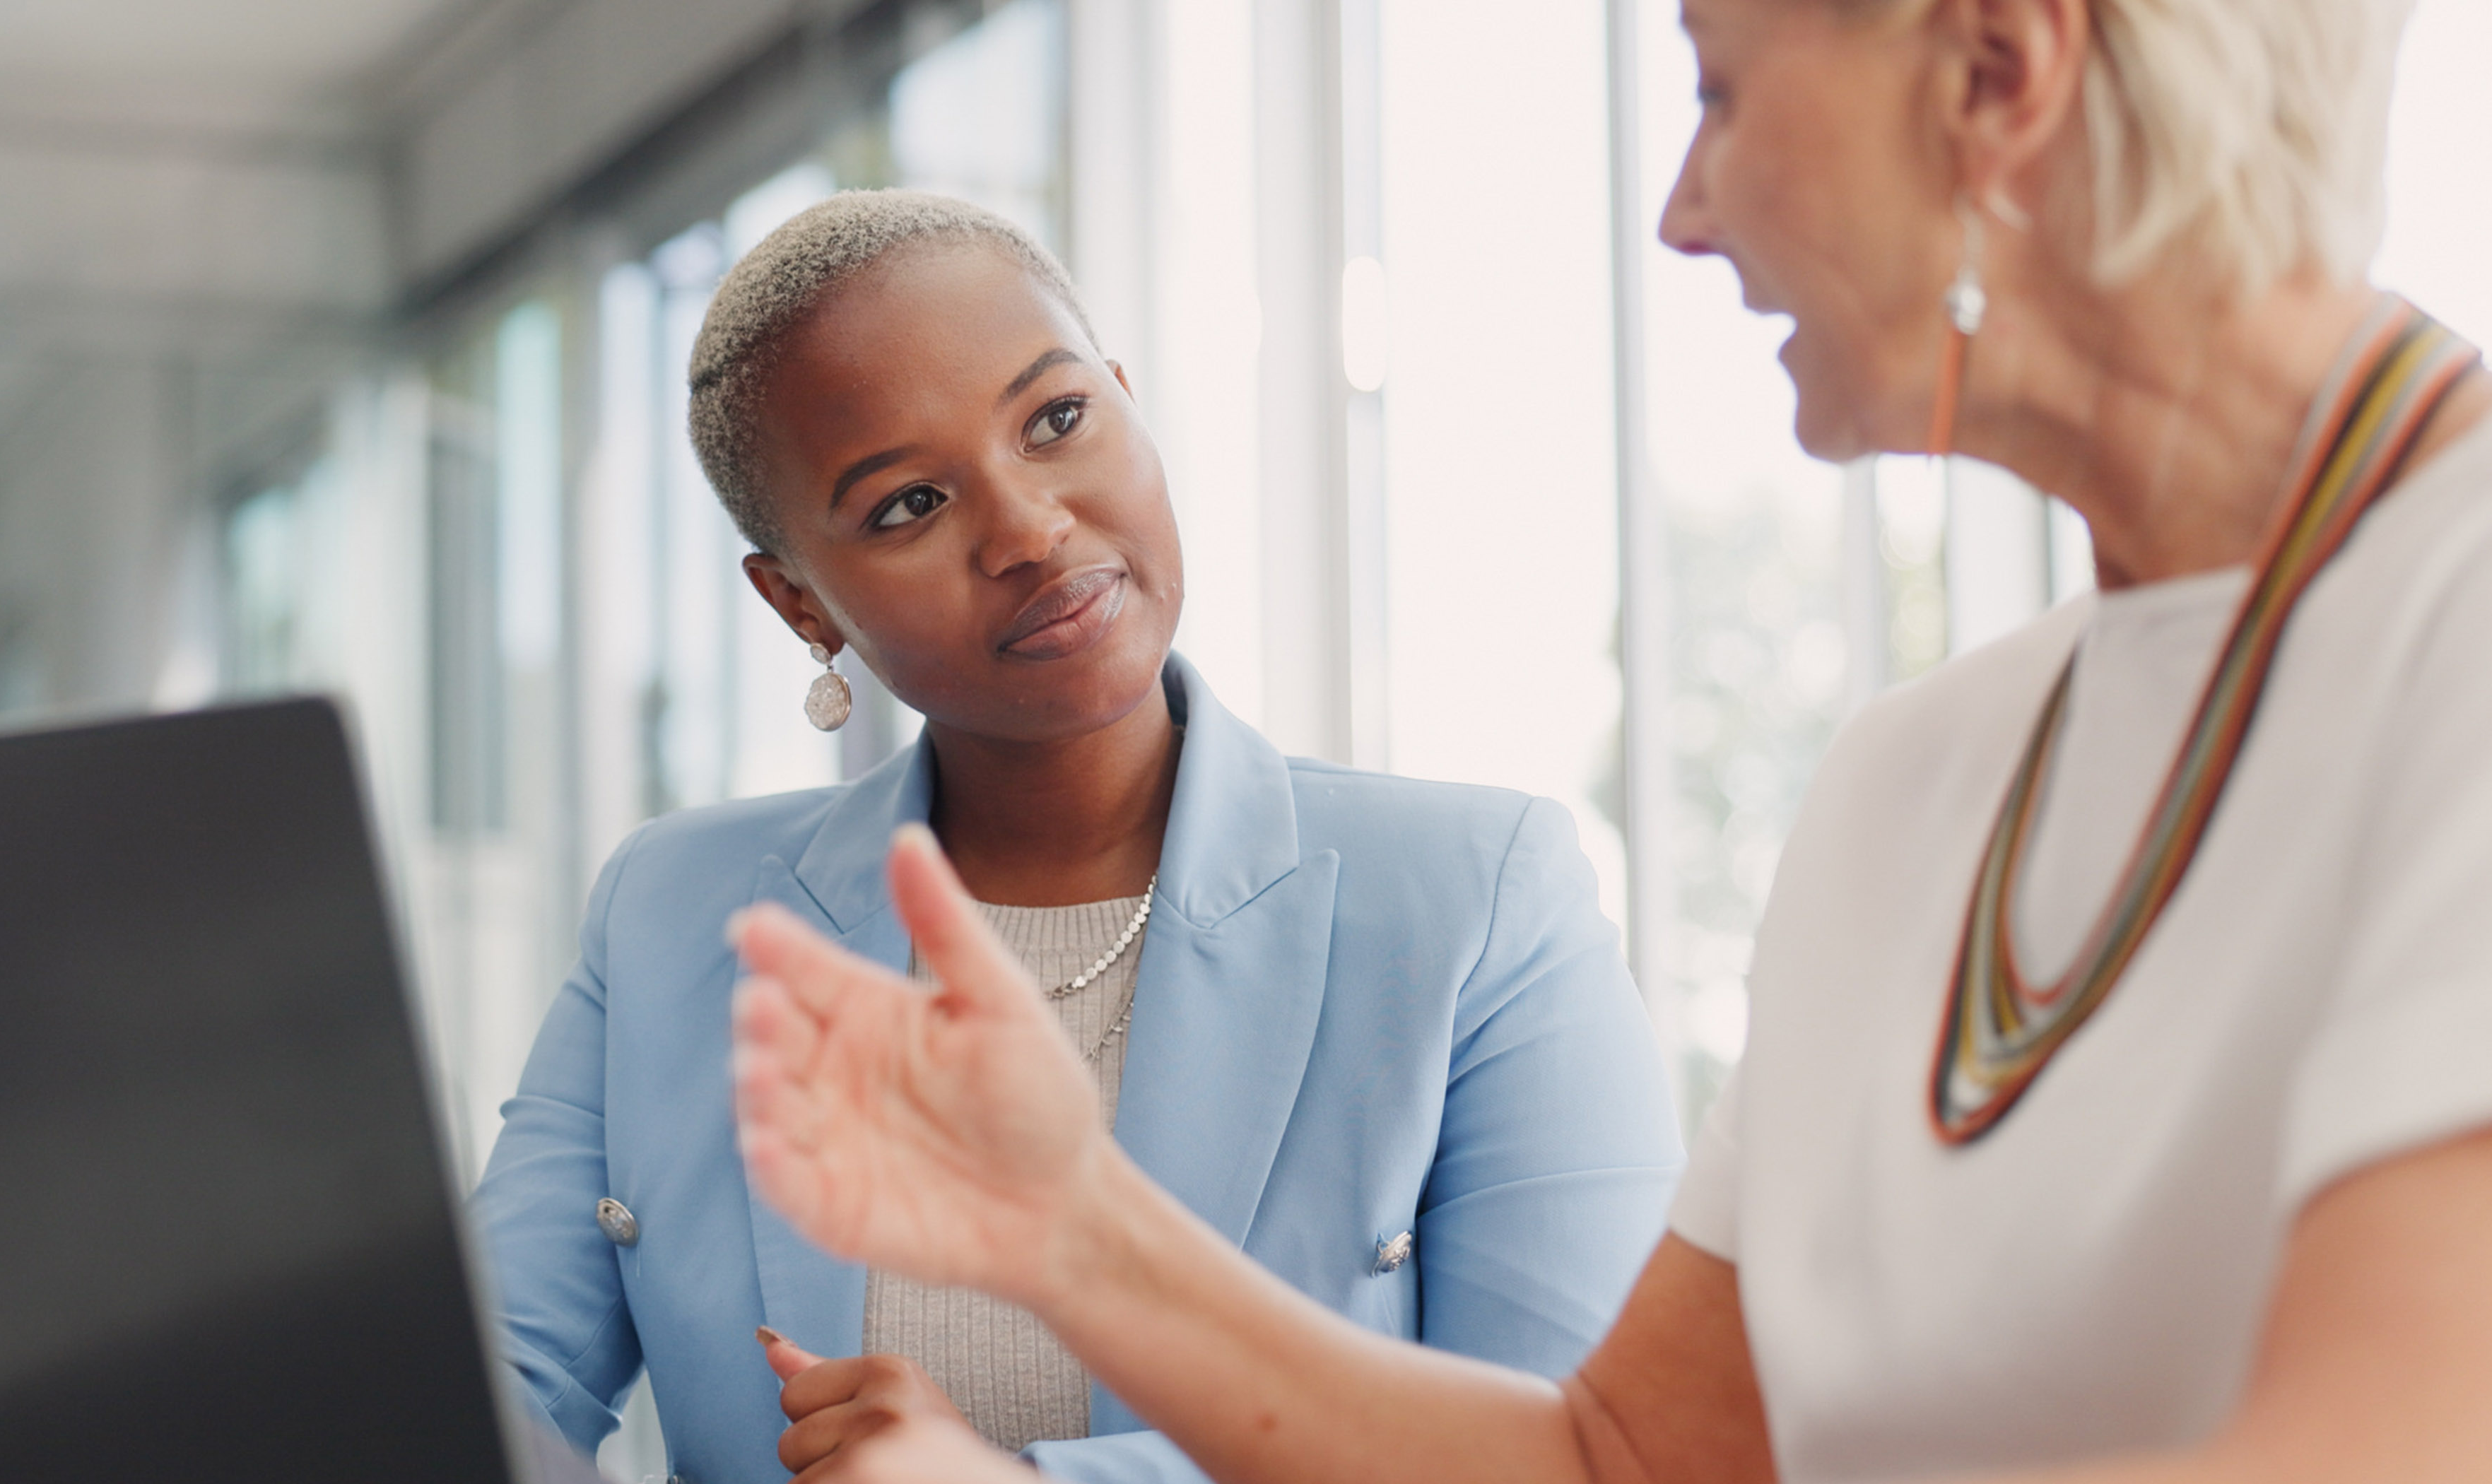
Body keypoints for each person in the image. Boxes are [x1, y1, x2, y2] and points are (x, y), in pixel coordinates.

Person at [723, 0, 2492, 1480]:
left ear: (1998, 75)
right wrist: (1073, 1231)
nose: (1683, 213)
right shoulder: (1915, 779)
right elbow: (1623, 1464)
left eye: (1720, 91)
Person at [471, 190, 1685, 1484]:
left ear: (1124, 395)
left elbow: (1593, 1454)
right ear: (798, 604)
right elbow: (483, 1385)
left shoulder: (1477, 903)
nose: (1031, 530)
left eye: (1057, 421)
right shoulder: (670, 913)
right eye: (908, 505)